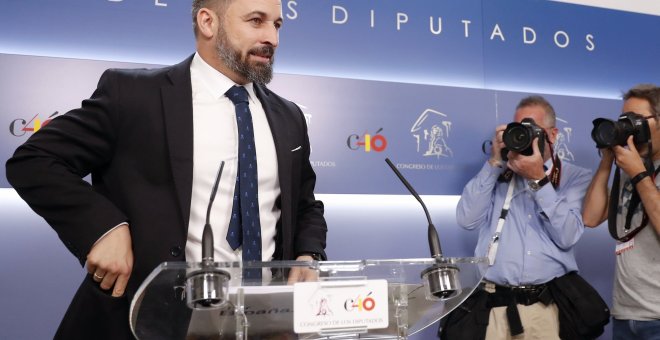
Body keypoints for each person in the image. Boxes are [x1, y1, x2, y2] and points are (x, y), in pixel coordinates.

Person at [5, 0, 327, 339]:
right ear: (208, 22)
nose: (272, 38)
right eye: (256, 21)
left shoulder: (289, 117)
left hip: (261, 325)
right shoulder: (133, 95)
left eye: (277, 25)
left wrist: (308, 254)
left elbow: (305, 204)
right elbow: (35, 160)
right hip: (144, 323)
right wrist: (102, 227)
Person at [441, 96, 593, 339]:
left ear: (552, 135)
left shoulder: (575, 177)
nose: (524, 136)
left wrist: (538, 180)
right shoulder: (498, 172)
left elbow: (568, 236)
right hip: (493, 307)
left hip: (546, 310)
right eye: (519, 128)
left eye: (532, 129)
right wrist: (494, 162)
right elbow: (466, 220)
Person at [582, 84, 660, 340]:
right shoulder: (628, 165)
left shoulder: (636, 169)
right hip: (625, 313)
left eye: (636, 120)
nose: (629, 127)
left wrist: (640, 174)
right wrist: (606, 161)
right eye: (624, 119)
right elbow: (591, 218)